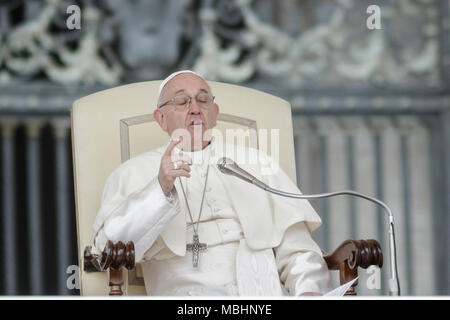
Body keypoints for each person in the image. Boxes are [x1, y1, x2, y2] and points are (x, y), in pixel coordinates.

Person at [92, 70, 332, 296]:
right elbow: (108, 249)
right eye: (182, 101)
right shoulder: (131, 172)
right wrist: (160, 187)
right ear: (161, 119)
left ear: (215, 113)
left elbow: (298, 249)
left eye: (203, 100)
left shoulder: (257, 163)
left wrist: (308, 290)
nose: (195, 108)